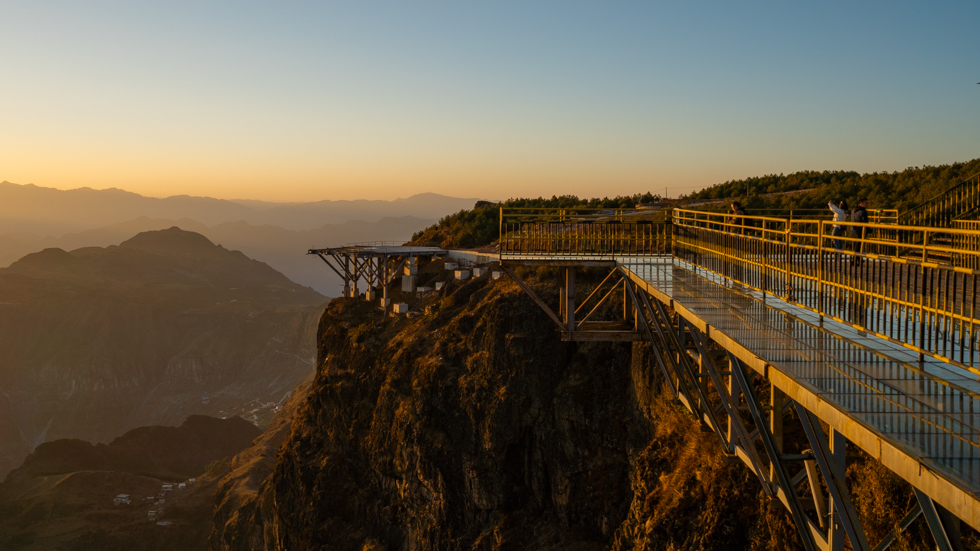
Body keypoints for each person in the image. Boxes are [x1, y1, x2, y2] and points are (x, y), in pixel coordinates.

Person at [850, 198, 869, 263]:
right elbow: (865, 222)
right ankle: (855, 260)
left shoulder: (853, 210)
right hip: (860, 230)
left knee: (856, 245)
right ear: (861, 204)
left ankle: (857, 259)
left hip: (853, 230)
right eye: (866, 203)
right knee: (858, 246)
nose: (867, 204)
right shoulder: (863, 211)